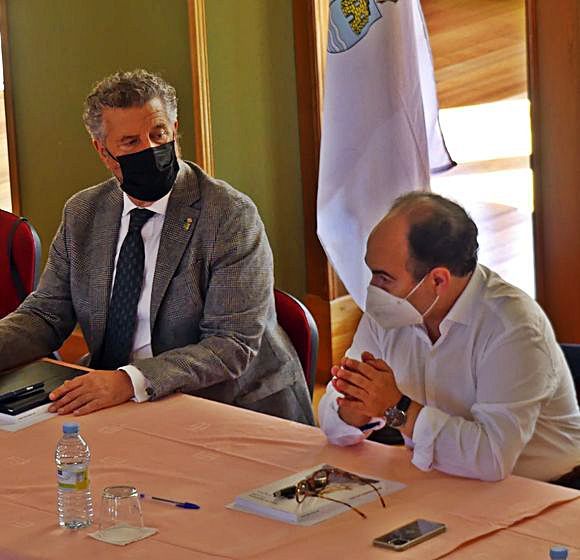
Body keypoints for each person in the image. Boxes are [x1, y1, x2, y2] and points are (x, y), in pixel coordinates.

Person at [0, 69, 314, 425]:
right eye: (131, 142)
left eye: (158, 133)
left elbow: (232, 345)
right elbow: (46, 315)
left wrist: (129, 381)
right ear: (103, 152)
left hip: (231, 404)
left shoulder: (230, 215)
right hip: (118, 400)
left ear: (175, 130)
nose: (150, 149)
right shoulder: (83, 213)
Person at [319, 192, 580, 483]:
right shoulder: (389, 313)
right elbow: (333, 423)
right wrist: (355, 410)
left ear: (437, 280)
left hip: (545, 491)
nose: (373, 288)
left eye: (383, 277)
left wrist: (397, 408)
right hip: (438, 475)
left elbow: (491, 458)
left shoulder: (513, 328)